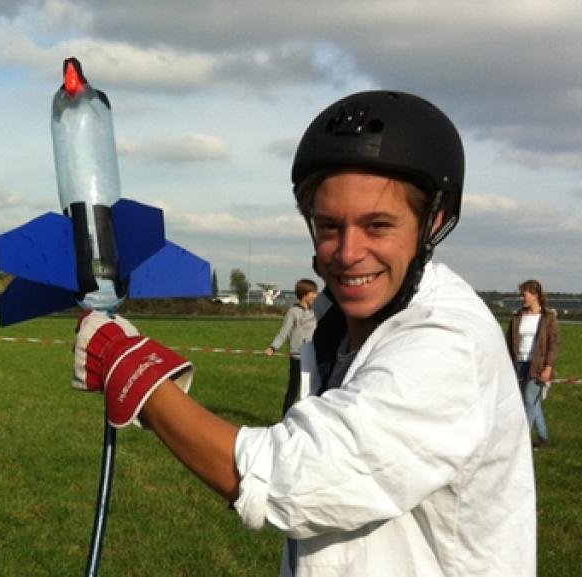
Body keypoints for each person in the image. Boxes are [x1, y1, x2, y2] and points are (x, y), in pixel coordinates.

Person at [73, 90, 535, 576]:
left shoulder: (446, 345)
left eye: (378, 225)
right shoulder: (341, 321)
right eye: (329, 225)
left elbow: (290, 482)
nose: (348, 252)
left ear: (433, 222)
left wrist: (137, 375)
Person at [507, 279, 559, 449]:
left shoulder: (548, 317)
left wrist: (548, 367)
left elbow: (553, 344)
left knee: (529, 400)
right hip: (519, 363)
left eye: (525, 294)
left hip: (537, 365)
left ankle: (522, 441)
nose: (522, 297)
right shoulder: (517, 317)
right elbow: (509, 341)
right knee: (532, 402)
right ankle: (543, 438)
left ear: (535, 295)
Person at [264, 279, 318, 416]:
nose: (316, 296)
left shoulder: (316, 312)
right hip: (297, 356)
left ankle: (307, 418)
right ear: (305, 295)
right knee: (294, 388)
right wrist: (273, 347)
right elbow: (284, 332)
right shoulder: (293, 312)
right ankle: (286, 417)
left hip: (312, 355)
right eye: (313, 293)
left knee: (311, 389)